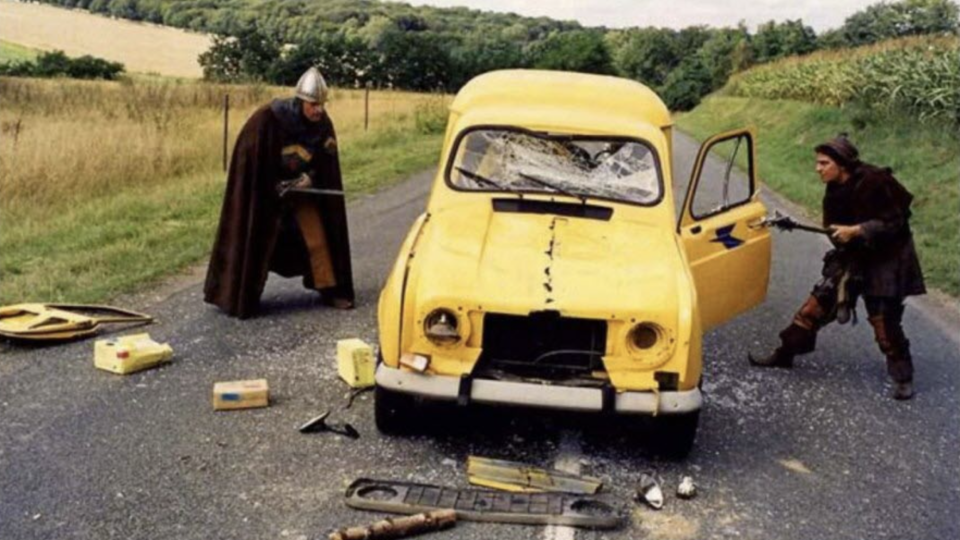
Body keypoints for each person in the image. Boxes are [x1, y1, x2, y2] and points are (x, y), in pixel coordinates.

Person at [749, 135, 925, 400]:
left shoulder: (876, 180)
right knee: (812, 309)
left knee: (884, 324)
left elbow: (896, 222)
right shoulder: (834, 189)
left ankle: (903, 377)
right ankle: (784, 354)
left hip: (887, 259)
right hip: (853, 256)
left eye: (823, 163)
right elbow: (833, 228)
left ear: (842, 164)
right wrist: (839, 236)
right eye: (818, 163)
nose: (818, 168)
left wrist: (857, 230)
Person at [204, 67, 355, 319]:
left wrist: (310, 178)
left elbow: (326, 163)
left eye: (321, 104)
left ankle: (332, 290)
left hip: (301, 194)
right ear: (300, 100)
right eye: (312, 104)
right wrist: (270, 184)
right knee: (257, 243)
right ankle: (242, 298)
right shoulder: (268, 119)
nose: (318, 110)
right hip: (266, 197)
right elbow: (248, 161)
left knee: (318, 241)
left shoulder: (322, 124)